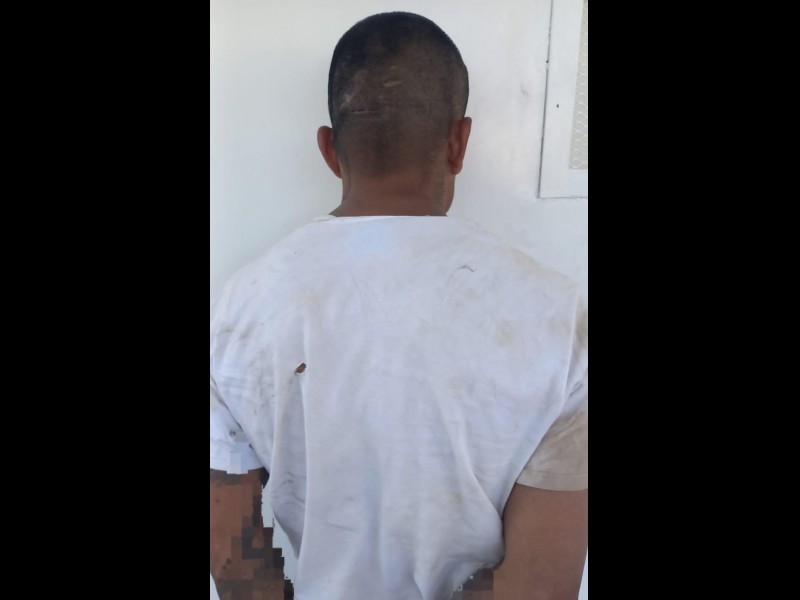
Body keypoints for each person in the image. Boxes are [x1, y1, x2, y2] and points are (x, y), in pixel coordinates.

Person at [210, 11, 587, 600]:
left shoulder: (237, 311)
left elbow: (232, 558)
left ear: (329, 149)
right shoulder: (561, 320)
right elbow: (540, 587)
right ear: (459, 142)